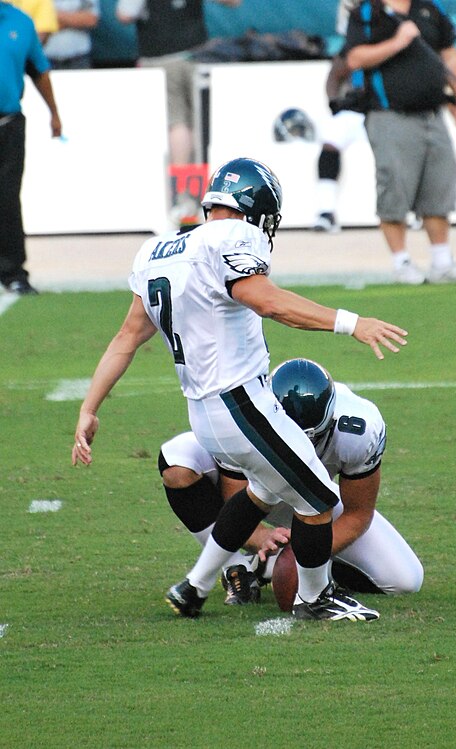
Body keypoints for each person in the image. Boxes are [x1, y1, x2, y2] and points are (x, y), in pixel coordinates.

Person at [72, 156, 408, 623]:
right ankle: (317, 600)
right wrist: (351, 323)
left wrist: (90, 407)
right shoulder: (235, 237)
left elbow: (127, 337)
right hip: (241, 402)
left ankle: (194, 586)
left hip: (201, 409)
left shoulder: (157, 250)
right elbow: (268, 302)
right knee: (316, 501)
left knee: (261, 491)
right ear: (256, 212)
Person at [158, 359, 423, 607]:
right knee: (178, 459)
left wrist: (306, 557)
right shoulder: (247, 414)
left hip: (315, 496)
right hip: (256, 484)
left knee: (405, 579)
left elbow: (357, 514)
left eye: (312, 440)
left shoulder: (358, 430)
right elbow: (235, 493)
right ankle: (235, 567)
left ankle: (269, 566)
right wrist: (258, 537)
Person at [344, 0, 456, 285]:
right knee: (395, 184)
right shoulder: (368, 13)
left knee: (440, 183)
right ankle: (401, 262)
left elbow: (449, 54)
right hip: (390, 115)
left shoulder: (430, 9)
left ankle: (442, 261)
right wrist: (398, 42)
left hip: (433, 113)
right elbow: (355, 58)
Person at [115, 0, 241, 167]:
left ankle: (182, 185)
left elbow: (125, 14)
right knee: (201, 120)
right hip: (196, 55)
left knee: (177, 123)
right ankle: (203, 179)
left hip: (161, 59)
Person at [0, 0, 62, 295]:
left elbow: (39, 69)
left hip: (8, 123)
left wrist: (54, 113)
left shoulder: (20, 22)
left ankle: (13, 272)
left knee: (8, 199)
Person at [314, 51, 367, 234]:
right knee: (330, 140)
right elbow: (333, 77)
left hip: (385, 111)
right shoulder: (350, 48)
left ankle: (413, 211)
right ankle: (326, 212)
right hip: (352, 111)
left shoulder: (397, 40)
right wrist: (334, 102)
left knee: (404, 144)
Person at [43, 0, 100, 70]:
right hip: (44, 58)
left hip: (78, 58)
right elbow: (31, 21)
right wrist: (73, 18)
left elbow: (91, 19)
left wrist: (53, 16)